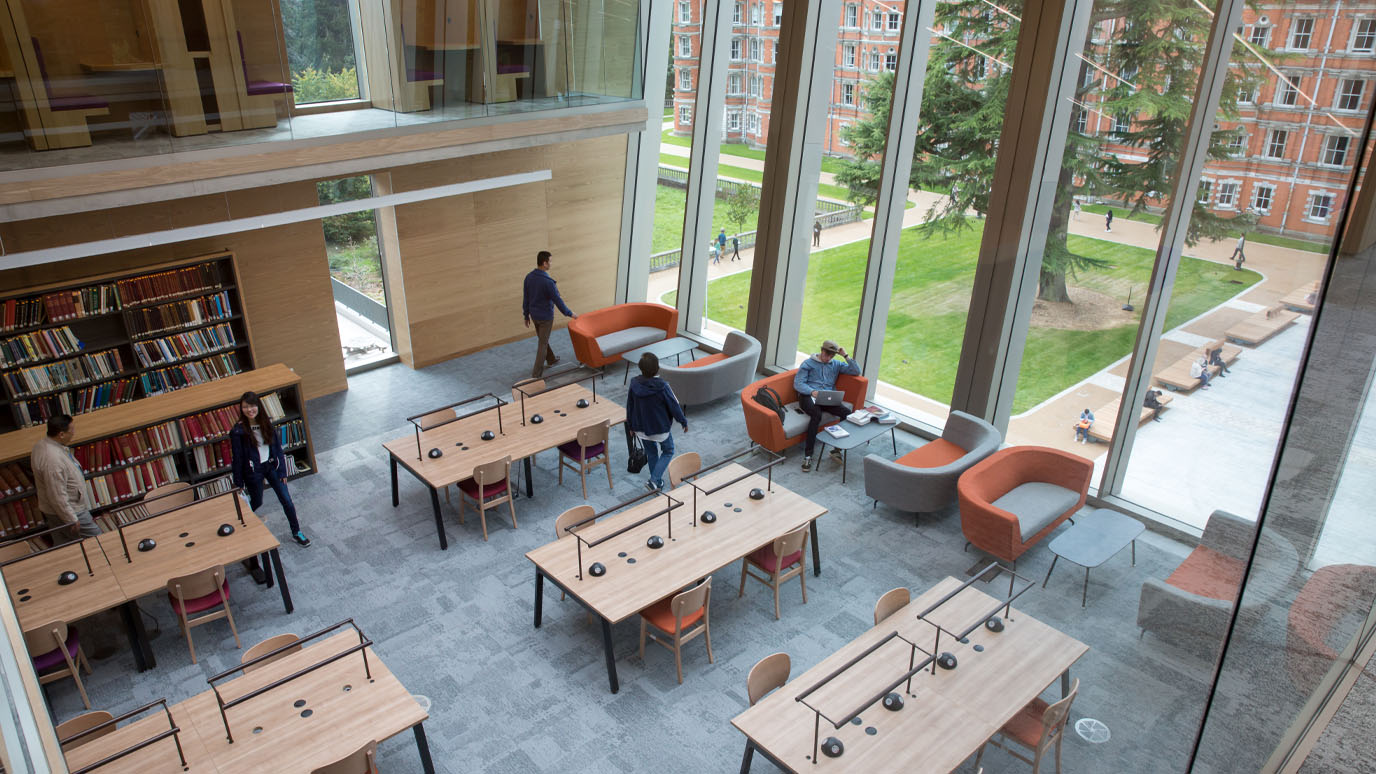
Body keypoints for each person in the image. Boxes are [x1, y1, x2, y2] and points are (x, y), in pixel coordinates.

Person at [231, 391, 310, 560]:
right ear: (241, 409)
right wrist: (238, 482)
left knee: (287, 500)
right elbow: (237, 458)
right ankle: (241, 529)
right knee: (256, 502)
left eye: (252, 406)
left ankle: (297, 532)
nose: (249, 410)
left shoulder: (266, 423)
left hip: (272, 466)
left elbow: (278, 449)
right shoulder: (238, 431)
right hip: (253, 471)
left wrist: (282, 471)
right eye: (245, 407)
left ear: (258, 406)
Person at [794, 340, 861, 471]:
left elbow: (856, 371)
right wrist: (812, 391)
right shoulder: (808, 363)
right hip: (808, 396)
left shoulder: (836, 364)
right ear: (822, 351)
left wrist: (845, 355)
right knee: (816, 415)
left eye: (832, 356)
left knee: (847, 413)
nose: (828, 358)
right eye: (827, 355)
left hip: (827, 398)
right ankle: (808, 455)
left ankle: (836, 450)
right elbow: (798, 383)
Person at [625, 353, 689, 492]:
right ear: (657, 368)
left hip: (641, 428)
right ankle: (654, 480)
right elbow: (674, 406)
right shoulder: (663, 386)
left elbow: (630, 406)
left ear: (641, 368)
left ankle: (656, 483)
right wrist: (683, 421)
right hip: (660, 428)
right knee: (668, 450)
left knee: (652, 453)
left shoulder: (634, 384)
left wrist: (631, 426)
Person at [32, 415, 100, 542]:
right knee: (99, 540)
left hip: (57, 510)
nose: (74, 433)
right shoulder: (52, 460)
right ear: (61, 434)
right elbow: (57, 494)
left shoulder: (44, 444)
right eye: (71, 430)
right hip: (71, 510)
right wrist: (71, 519)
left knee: (65, 543)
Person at [522, 250, 577, 379]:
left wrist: (526, 315)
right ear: (544, 263)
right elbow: (558, 301)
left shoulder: (528, 277)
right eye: (550, 261)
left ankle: (551, 359)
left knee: (543, 339)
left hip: (534, 316)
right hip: (545, 318)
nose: (551, 263)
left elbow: (526, 298)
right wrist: (570, 313)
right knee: (542, 344)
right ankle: (536, 375)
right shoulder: (548, 282)